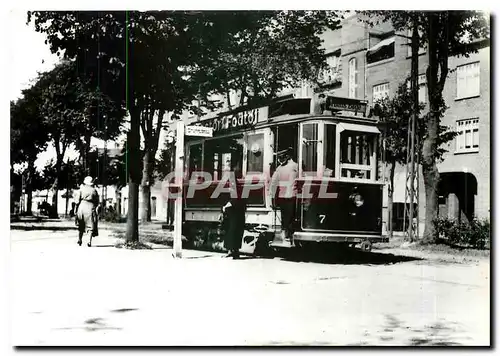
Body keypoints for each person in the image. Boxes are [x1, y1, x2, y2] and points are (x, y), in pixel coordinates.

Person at [270, 147, 298, 242]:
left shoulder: (279, 169)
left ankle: (285, 235)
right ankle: (289, 236)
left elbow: (273, 184)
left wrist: (272, 198)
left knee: (284, 217)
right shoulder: (296, 166)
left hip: (282, 196)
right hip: (292, 196)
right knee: (291, 217)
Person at [221, 181, 246, 259]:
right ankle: (232, 252)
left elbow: (234, 202)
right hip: (232, 215)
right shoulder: (236, 191)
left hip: (236, 216)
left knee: (234, 232)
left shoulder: (237, 193)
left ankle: (234, 253)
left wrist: (225, 207)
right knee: (231, 233)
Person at [74, 176, 100, 247]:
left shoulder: (81, 189)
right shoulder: (94, 190)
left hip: (81, 206)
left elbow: (77, 201)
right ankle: (89, 241)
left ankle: (80, 239)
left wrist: (75, 209)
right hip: (90, 207)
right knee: (90, 224)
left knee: (81, 224)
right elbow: (97, 201)